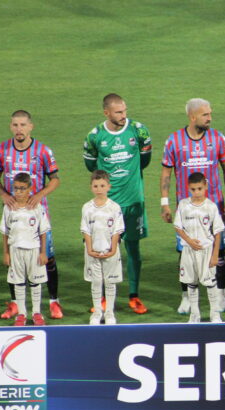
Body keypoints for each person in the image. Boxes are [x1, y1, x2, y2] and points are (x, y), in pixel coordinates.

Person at [161, 98, 225, 315]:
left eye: (210, 113)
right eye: (205, 114)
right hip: (186, 209)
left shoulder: (218, 138)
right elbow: (166, 173)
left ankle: (221, 293)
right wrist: (164, 203)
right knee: (186, 251)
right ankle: (186, 297)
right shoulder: (174, 141)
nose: (210, 118)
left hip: (214, 207)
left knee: (219, 250)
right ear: (192, 117)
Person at [83, 93, 151, 314]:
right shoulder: (95, 136)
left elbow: (145, 160)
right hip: (108, 205)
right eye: (119, 112)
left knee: (133, 247)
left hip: (133, 201)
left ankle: (134, 296)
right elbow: (92, 166)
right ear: (107, 113)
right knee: (102, 249)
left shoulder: (139, 130)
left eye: (125, 111)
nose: (124, 115)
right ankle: (101, 298)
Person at [0, 110, 62, 320]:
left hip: (37, 215)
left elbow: (55, 179)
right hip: (14, 215)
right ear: (10, 126)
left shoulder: (42, 151)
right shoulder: (2, 150)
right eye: (15, 125)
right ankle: (15, 304)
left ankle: (53, 301)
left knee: (46, 258)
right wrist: (4, 195)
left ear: (31, 126)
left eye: (23, 125)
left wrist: (39, 195)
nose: (19, 129)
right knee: (15, 261)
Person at [0, 172, 50, 327]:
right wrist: (6, 253)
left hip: (34, 250)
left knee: (35, 283)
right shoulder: (9, 208)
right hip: (15, 250)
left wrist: (43, 252)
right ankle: (21, 314)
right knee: (18, 283)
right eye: (16, 189)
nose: (19, 192)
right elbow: (5, 232)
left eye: (22, 188)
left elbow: (43, 231)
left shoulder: (36, 207)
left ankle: (36, 312)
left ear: (30, 189)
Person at [173, 172, 224, 323]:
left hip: (206, 250)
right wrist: (189, 241)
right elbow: (178, 227)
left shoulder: (210, 206)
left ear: (206, 186)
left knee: (210, 282)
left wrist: (215, 254)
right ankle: (195, 314)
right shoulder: (183, 205)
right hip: (189, 251)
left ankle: (215, 314)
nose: (196, 192)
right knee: (191, 282)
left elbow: (218, 231)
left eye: (199, 188)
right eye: (193, 189)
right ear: (188, 188)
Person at [80, 170, 124, 325]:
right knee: (96, 282)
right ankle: (97, 312)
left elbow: (117, 231)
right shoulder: (87, 207)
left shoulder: (114, 207)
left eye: (102, 185)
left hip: (110, 251)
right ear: (91, 187)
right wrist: (90, 249)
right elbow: (85, 230)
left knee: (110, 282)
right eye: (96, 186)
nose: (99, 188)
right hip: (92, 252)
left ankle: (110, 313)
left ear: (108, 187)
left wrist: (112, 249)